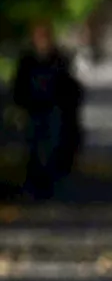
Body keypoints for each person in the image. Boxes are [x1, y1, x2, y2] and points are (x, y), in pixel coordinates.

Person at [10, 21, 83, 200]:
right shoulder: (27, 60)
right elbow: (19, 85)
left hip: (54, 109)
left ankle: (50, 182)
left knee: (52, 145)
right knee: (34, 147)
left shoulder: (59, 59)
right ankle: (35, 184)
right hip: (34, 109)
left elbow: (68, 85)